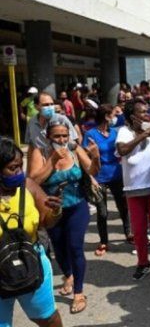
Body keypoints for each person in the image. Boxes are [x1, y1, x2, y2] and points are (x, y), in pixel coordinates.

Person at [28, 121, 100, 315]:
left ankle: (79, 292)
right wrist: (52, 160)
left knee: (75, 246)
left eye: (64, 136)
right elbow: (32, 181)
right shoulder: (40, 153)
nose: (61, 140)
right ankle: (68, 275)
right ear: (48, 138)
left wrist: (96, 157)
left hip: (77, 206)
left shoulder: (75, 149)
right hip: (52, 210)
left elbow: (92, 170)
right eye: (56, 137)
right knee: (59, 248)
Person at [0, 137, 63, 327]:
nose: (19, 172)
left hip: (31, 265)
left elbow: (47, 222)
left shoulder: (28, 187)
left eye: (21, 166)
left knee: (48, 319)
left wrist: (55, 211)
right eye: (13, 168)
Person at [116, 100, 150, 280]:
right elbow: (122, 150)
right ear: (132, 117)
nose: (146, 115)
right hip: (134, 189)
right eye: (142, 112)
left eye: (147, 111)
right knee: (139, 230)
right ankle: (143, 263)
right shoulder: (124, 132)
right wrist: (144, 134)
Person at [82, 104, 132, 256]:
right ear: (106, 116)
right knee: (102, 213)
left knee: (123, 208)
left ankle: (128, 234)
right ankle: (104, 241)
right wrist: (91, 178)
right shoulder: (90, 134)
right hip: (99, 178)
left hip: (117, 176)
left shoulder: (115, 133)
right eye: (113, 114)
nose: (115, 117)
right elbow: (84, 158)